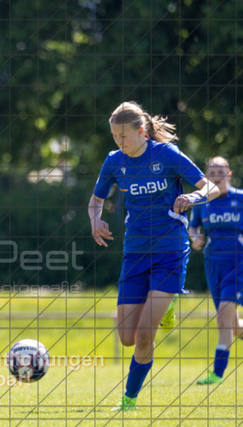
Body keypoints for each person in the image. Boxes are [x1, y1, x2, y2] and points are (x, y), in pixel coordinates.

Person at [88, 102, 220, 411]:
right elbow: (96, 200)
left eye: (124, 136)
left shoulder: (166, 154)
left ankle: (128, 400)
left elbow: (211, 188)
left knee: (146, 335)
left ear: (142, 132)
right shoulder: (114, 161)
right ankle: (165, 303)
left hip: (169, 250)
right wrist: (95, 220)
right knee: (127, 338)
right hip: (135, 253)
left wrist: (192, 196)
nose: (119, 142)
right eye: (114, 136)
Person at [189, 156, 243, 385]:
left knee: (222, 319)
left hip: (238, 265)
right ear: (206, 176)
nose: (217, 176)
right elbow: (193, 228)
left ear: (229, 174)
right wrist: (195, 239)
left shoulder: (240, 198)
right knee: (234, 326)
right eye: (212, 172)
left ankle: (217, 374)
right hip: (213, 265)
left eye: (221, 172)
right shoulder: (203, 202)